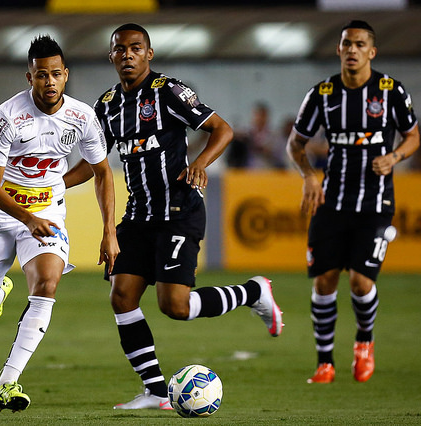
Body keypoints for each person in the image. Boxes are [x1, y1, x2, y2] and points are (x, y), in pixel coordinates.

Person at [64, 23, 283, 410]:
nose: (127, 55)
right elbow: (94, 164)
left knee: (175, 306)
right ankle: (154, 390)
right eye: (120, 49)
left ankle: (254, 292)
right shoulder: (107, 105)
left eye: (136, 48)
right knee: (122, 296)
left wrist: (200, 162)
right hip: (138, 215)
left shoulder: (168, 92)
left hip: (178, 211)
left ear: (149, 54)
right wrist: (52, 184)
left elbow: (222, 129)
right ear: (111, 56)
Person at [0, 35, 119, 412]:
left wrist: (109, 232)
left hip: (47, 213)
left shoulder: (82, 117)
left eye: (55, 74)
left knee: (47, 283)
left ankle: (6, 383)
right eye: (41, 75)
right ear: (29, 78)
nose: (49, 81)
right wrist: (27, 217)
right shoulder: (8, 117)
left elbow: (101, 171)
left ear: (66, 75)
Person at [286, 20, 420, 384]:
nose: (352, 50)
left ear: (371, 52)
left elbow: (413, 136)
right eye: (347, 44)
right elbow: (295, 144)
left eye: (360, 44)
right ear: (338, 49)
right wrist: (308, 175)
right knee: (324, 282)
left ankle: (364, 341)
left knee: (360, 282)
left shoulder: (390, 91)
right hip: (331, 203)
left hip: (375, 203)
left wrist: (394, 158)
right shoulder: (323, 94)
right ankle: (325, 363)